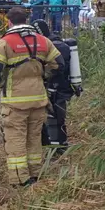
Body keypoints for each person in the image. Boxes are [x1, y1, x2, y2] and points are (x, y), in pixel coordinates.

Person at [0, 7, 64, 186]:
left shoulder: (4, 43)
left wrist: (1, 85)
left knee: (16, 140)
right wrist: (43, 76)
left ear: (9, 22)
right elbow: (59, 64)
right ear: (27, 20)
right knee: (34, 138)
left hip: (15, 102)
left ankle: (21, 180)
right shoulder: (43, 41)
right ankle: (36, 174)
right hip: (38, 99)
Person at [32, 19, 76, 155]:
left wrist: (44, 75)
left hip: (58, 89)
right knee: (53, 118)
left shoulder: (56, 46)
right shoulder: (57, 44)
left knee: (56, 118)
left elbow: (58, 68)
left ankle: (59, 149)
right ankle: (54, 147)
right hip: (58, 88)